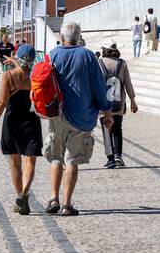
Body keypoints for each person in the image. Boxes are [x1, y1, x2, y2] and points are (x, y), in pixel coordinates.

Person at [43, 21, 113, 217]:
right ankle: (67, 204)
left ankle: (53, 198)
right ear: (78, 36)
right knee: (72, 160)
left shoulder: (53, 54)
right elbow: (99, 87)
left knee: (56, 157)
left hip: (57, 114)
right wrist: (107, 111)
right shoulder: (88, 56)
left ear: (62, 37)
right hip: (82, 116)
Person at [0, 51, 43, 215]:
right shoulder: (36, 76)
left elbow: (1, 101)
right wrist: (15, 61)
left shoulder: (8, 76)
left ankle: (19, 195)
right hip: (31, 120)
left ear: (19, 58)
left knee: (14, 161)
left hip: (12, 121)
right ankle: (24, 195)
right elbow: (25, 69)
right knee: (31, 161)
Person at [98, 43, 137, 169]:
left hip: (104, 103)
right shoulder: (122, 63)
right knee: (117, 129)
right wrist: (133, 100)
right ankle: (118, 156)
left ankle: (110, 158)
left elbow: (95, 83)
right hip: (119, 103)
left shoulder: (99, 62)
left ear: (104, 49)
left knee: (106, 129)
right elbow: (127, 83)